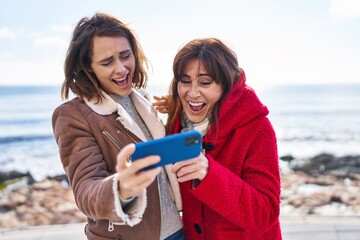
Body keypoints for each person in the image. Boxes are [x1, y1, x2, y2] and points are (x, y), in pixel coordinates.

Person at [52, 12, 184, 240]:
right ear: (88, 67)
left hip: (178, 230)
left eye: (125, 56)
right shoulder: (72, 115)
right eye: (107, 62)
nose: (122, 69)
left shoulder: (143, 101)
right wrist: (121, 188)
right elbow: (85, 191)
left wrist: (180, 112)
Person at [157, 38, 282, 239]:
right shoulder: (178, 124)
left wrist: (209, 174)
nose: (193, 92)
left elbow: (265, 213)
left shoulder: (257, 128)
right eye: (185, 81)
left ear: (227, 84)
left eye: (205, 82)